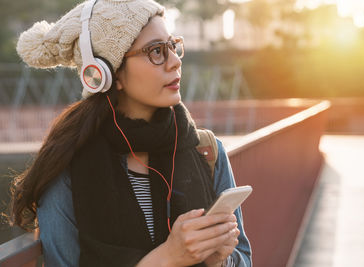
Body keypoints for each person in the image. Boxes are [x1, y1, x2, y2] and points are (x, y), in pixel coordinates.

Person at [11, 0, 252, 266]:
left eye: (173, 46)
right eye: (156, 51)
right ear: (107, 73)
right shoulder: (67, 171)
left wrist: (219, 260)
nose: (174, 62)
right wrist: (169, 257)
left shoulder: (206, 150)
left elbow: (244, 259)